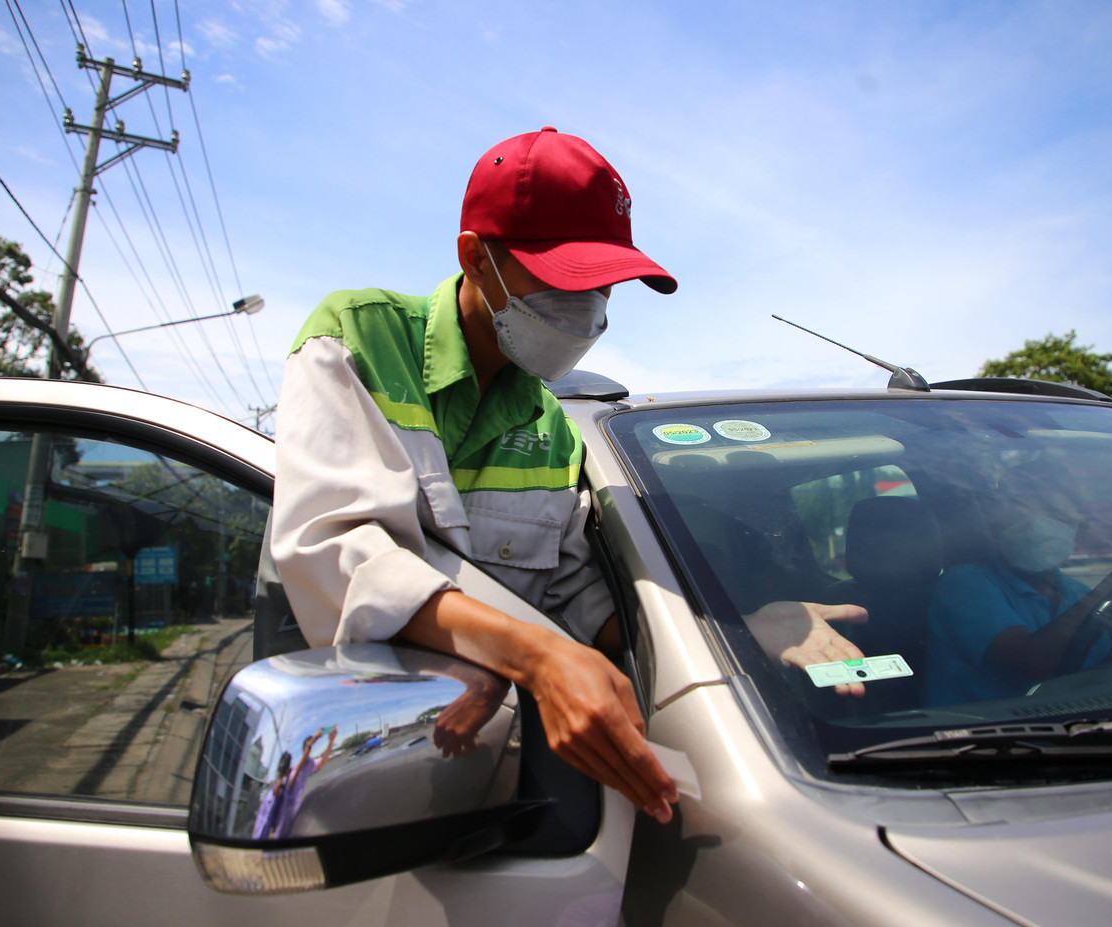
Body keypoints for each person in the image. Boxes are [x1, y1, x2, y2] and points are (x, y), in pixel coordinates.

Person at [272, 127, 866, 825]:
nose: (587, 311)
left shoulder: (552, 428)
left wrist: (740, 630)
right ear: (476, 257)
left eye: (603, 286)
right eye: (563, 280)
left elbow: (574, 598)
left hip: (489, 774)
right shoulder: (359, 339)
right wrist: (537, 658)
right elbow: (338, 557)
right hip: (356, 761)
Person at [927, 461, 1112, 705]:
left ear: (1078, 529)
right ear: (994, 523)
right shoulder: (963, 584)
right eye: (1019, 511)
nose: (1036, 524)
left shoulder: (1078, 594)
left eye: (1055, 513)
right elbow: (1036, 663)